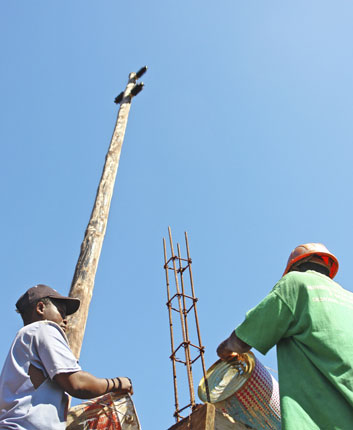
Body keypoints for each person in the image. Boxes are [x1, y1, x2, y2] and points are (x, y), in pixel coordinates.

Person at [217, 243, 353, 430]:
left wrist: (225, 350)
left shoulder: (295, 283)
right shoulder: (349, 298)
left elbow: (240, 342)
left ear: (295, 266)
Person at [0, 284, 133, 430]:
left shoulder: (23, 343)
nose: (65, 320)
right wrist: (117, 383)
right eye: (61, 313)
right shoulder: (43, 328)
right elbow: (77, 383)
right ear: (41, 308)